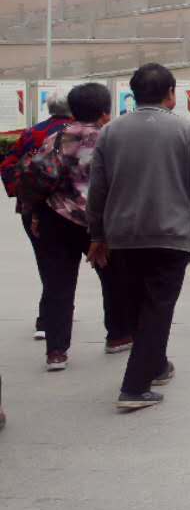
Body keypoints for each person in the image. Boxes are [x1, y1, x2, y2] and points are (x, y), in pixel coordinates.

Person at [87, 63, 190, 412]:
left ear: (133, 94)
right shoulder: (186, 131)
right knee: (158, 308)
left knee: (137, 305)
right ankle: (134, 387)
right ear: (171, 94)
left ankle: (156, 365)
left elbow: (97, 189)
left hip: (123, 235)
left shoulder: (111, 132)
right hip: (170, 234)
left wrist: (97, 233)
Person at [31, 82, 126, 369]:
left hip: (57, 217)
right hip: (99, 222)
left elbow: (39, 178)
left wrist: (36, 213)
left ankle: (56, 352)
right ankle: (118, 336)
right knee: (113, 277)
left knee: (58, 284)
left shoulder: (56, 138)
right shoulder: (111, 140)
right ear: (104, 112)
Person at [3, 92, 70, 342]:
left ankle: (49, 318)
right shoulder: (77, 133)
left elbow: (8, 165)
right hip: (71, 209)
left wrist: (20, 193)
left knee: (48, 263)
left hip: (33, 208)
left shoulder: (32, 133)